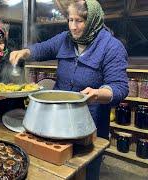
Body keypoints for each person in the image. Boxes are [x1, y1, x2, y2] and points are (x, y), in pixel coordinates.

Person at [9, 0, 128, 179]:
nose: (73, 27)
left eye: (79, 21)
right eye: (70, 20)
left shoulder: (111, 47)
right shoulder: (65, 39)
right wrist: (24, 52)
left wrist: (98, 93)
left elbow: (120, 87)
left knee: (86, 169)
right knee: (54, 169)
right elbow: (43, 48)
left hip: (89, 123)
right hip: (56, 119)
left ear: (93, 20)